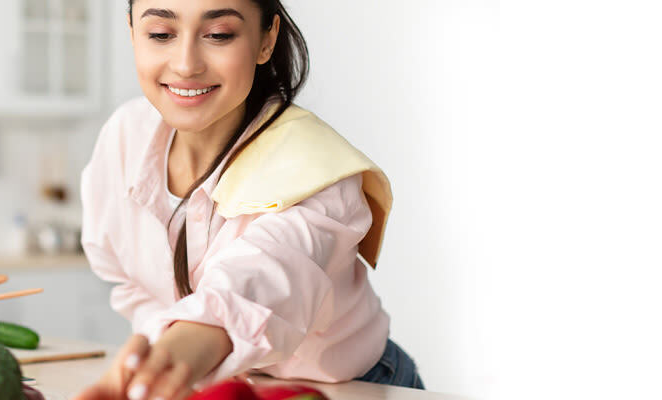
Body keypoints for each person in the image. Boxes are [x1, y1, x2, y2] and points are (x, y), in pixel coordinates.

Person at [76, 1, 423, 399]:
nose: (186, 65)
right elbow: (128, 280)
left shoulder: (314, 168)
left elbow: (256, 284)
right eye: (160, 34)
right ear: (133, 32)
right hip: (214, 386)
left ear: (266, 40)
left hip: (351, 388)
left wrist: (171, 359)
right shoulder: (126, 135)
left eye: (219, 35)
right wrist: (161, 366)